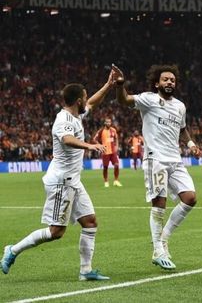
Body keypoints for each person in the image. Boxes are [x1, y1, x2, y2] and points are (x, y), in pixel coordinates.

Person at [1, 67, 119, 280]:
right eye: (83, 97)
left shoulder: (77, 115)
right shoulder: (62, 120)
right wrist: (88, 146)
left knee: (90, 222)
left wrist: (109, 85)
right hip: (61, 182)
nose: (86, 100)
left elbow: (93, 102)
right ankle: (13, 250)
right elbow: (66, 140)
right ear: (77, 101)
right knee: (56, 232)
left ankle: (85, 271)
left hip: (73, 181)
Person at [114, 64, 202, 271]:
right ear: (157, 83)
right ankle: (157, 251)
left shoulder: (180, 106)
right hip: (156, 160)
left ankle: (164, 238)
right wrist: (120, 85)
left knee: (190, 198)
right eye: (165, 79)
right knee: (159, 204)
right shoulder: (149, 99)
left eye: (172, 80)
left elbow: (183, 129)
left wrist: (191, 145)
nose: (169, 82)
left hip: (175, 160)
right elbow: (124, 100)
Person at [93, 118, 122, 187]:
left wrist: (117, 146)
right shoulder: (101, 131)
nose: (109, 123)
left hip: (113, 152)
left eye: (110, 122)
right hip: (105, 152)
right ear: (105, 123)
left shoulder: (113, 130)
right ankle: (106, 181)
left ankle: (116, 181)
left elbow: (116, 138)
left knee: (117, 165)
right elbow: (94, 139)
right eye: (107, 122)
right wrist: (100, 145)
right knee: (105, 167)